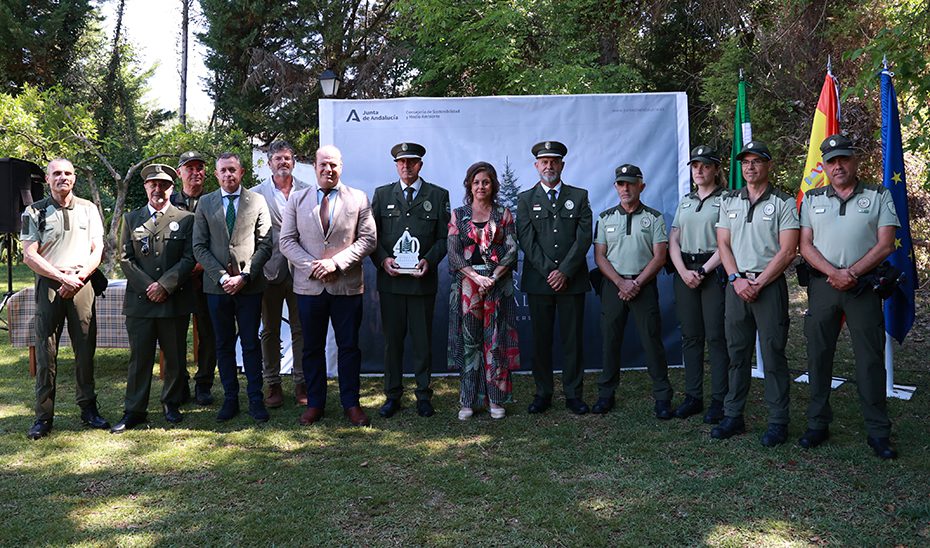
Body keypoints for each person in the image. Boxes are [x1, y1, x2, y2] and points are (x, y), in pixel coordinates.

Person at [798, 134, 900, 459]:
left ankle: (878, 432)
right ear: (825, 166)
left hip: (862, 287)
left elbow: (885, 244)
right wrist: (833, 273)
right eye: (831, 161)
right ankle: (817, 423)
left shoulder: (878, 194)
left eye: (843, 159)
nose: (838, 165)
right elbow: (805, 245)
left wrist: (851, 273)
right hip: (823, 287)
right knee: (818, 355)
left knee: (870, 360)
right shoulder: (812, 199)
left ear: (854, 161)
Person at [279, 145, 377, 427]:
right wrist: (313, 266)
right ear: (314, 167)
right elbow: (286, 241)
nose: (328, 170)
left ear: (341, 167)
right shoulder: (297, 200)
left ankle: (351, 403)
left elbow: (368, 240)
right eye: (323, 165)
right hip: (309, 288)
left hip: (345, 286)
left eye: (333, 165)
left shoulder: (358, 198)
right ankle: (315, 403)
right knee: (311, 348)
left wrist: (336, 263)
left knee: (349, 347)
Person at [712, 140, 799, 446]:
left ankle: (778, 421)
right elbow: (723, 243)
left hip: (768, 287)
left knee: (773, 354)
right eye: (745, 162)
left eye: (756, 161)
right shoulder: (729, 200)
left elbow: (788, 251)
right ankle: (733, 415)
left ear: (768, 165)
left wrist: (759, 282)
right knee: (737, 354)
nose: (750, 167)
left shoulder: (784, 202)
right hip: (736, 287)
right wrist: (736, 278)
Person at [21, 158, 109, 439]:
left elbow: (98, 249)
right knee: (46, 353)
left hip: (82, 284)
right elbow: (29, 255)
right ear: (47, 179)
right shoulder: (33, 211)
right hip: (51, 284)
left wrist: (79, 277)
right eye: (56, 174)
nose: (63, 178)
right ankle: (43, 417)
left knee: (85, 349)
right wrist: (62, 279)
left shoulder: (89, 209)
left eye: (68, 173)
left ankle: (88, 409)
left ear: (74, 178)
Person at [111, 164, 196, 432]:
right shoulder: (131, 218)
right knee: (140, 358)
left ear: (172, 188)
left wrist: (165, 285)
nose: (158, 189)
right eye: (152, 184)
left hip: (173, 300)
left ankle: (171, 403)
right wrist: (150, 286)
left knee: (174, 356)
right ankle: (135, 410)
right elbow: (125, 257)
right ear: (146, 187)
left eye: (164, 185)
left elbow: (189, 257)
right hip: (141, 301)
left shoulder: (185, 218)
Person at [371, 142, 450, 418]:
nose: (407, 167)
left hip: (421, 282)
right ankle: (392, 395)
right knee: (393, 342)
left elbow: (444, 238)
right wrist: (383, 260)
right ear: (396, 165)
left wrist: (429, 259)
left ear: (420, 165)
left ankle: (423, 395)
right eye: (402, 162)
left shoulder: (438, 196)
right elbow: (373, 238)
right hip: (391, 283)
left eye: (412, 162)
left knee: (422, 341)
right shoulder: (382, 195)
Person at [192, 152, 273, 423]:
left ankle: (255, 399)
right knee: (223, 345)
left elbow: (265, 243)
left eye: (232, 170)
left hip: (249, 287)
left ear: (242, 172)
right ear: (216, 175)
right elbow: (199, 246)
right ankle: (230, 399)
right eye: (223, 170)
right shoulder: (205, 203)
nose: (228, 175)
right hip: (217, 289)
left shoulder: (257, 201)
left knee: (250, 344)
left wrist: (246, 276)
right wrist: (222, 277)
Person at [516, 141, 593, 415]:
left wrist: (565, 271)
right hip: (540, 281)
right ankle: (543, 393)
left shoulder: (580, 196)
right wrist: (550, 271)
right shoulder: (525, 199)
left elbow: (584, 237)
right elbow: (526, 239)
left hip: (571, 281)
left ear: (562, 165)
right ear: (536, 166)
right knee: (541, 340)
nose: (549, 166)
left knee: (572, 340)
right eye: (544, 162)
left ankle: (574, 394)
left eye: (554, 161)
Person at [593, 164, 674, 419]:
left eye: (630, 183)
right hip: (613, 287)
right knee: (610, 341)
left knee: (652, 341)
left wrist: (636, 283)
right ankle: (606, 395)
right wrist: (620, 283)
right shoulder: (605, 218)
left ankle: (662, 397)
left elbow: (660, 257)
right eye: (620, 183)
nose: (625, 188)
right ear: (616, 187)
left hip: (643, 286)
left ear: (642, 186)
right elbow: (600, 257)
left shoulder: (655, 217)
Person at [447, 162, 520, 420]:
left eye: (486, 182)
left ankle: (496, 400)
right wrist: (477, 276)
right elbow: (454, 254)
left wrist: (493, 277)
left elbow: (512, 251)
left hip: (497, 285)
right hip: (468, 286)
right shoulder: (459, 214)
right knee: (470, 343)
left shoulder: (504, 214)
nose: (481, 186)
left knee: (495, 341)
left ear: (493, 185)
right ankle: (468, 401)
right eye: (476, 182)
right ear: (469, 184)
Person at [668, 145, 728, 423]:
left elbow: (727, 242)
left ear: (716, 169)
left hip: (712, 272)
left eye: (705, 165)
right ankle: (693, 396)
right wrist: (682, 270)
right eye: (695, 165)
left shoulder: (728, 200)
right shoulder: (686, 201)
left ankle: (719, 399)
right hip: (686, 273)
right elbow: (674, 239)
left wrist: (703, 270)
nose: (699, 170)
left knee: (716, 337)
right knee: (691, 337)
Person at [252, 141, 309, 408]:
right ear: (269, 163)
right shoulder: (254, 194)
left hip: (301, 271)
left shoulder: (309, 192)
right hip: (269, 271)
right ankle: (273, 384)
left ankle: (301, 383)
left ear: (293, 162)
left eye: (287, 158)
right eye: (277, 158)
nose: (282, 162)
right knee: (270, 331)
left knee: (301, 329)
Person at [172, 150, 216, 405]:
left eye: (200, 168)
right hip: (177, 281)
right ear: (180, 173)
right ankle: (179, 385)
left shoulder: (214, 202)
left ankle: (204, 385)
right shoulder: (169, 201)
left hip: (206, 279)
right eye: (189, 168)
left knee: (208, 335)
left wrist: (200, 266)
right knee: (175, 334)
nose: (195, 172)